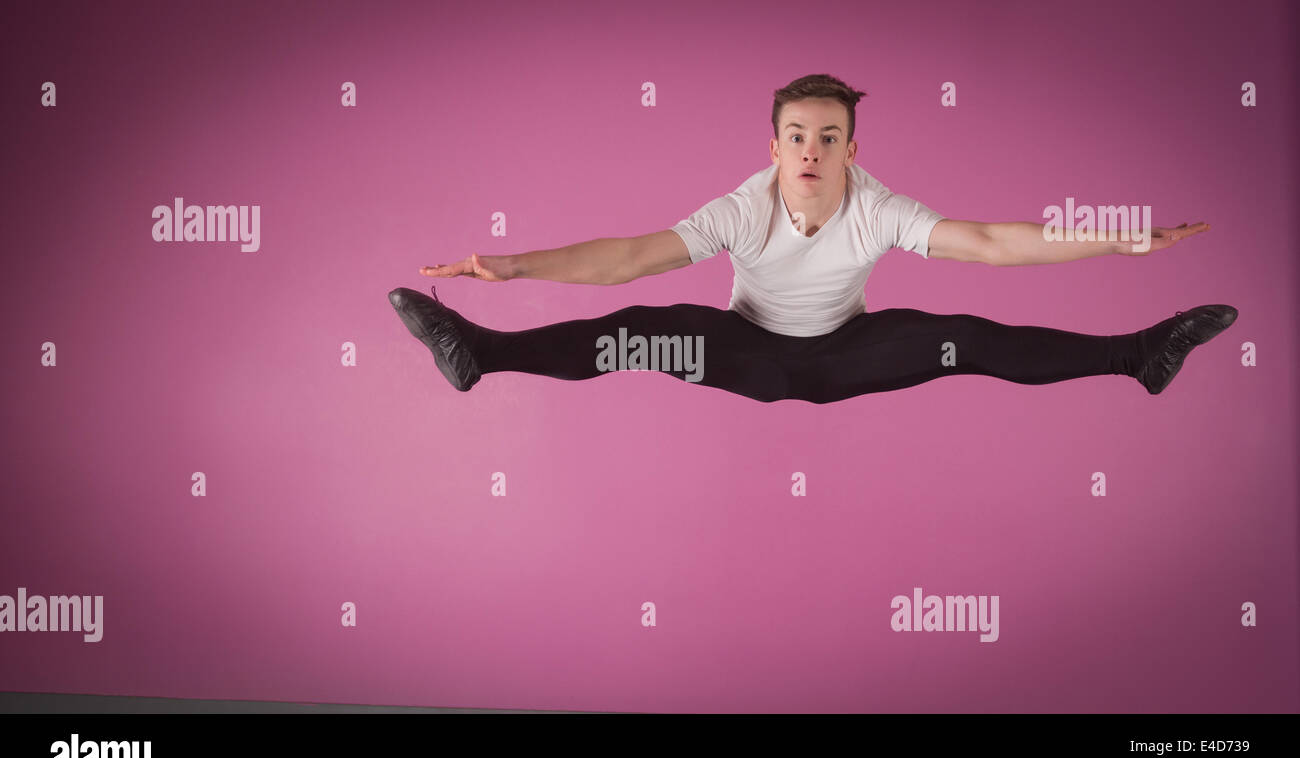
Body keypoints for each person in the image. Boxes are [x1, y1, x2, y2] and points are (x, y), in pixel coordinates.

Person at [388, 73, 1237, 404]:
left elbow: (986, 242)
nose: (811, 152)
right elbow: (628, 258)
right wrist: (511, 264)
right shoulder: (742, 205)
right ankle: (481, 353)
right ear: (774, 146)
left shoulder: (876, 204)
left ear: (851, 150)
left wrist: (1118, 235)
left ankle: (1141, 354)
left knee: (964, 338)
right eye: (796, 136)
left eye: (828, 137)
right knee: (640, 329)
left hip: (849, 353)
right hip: (746, 352)